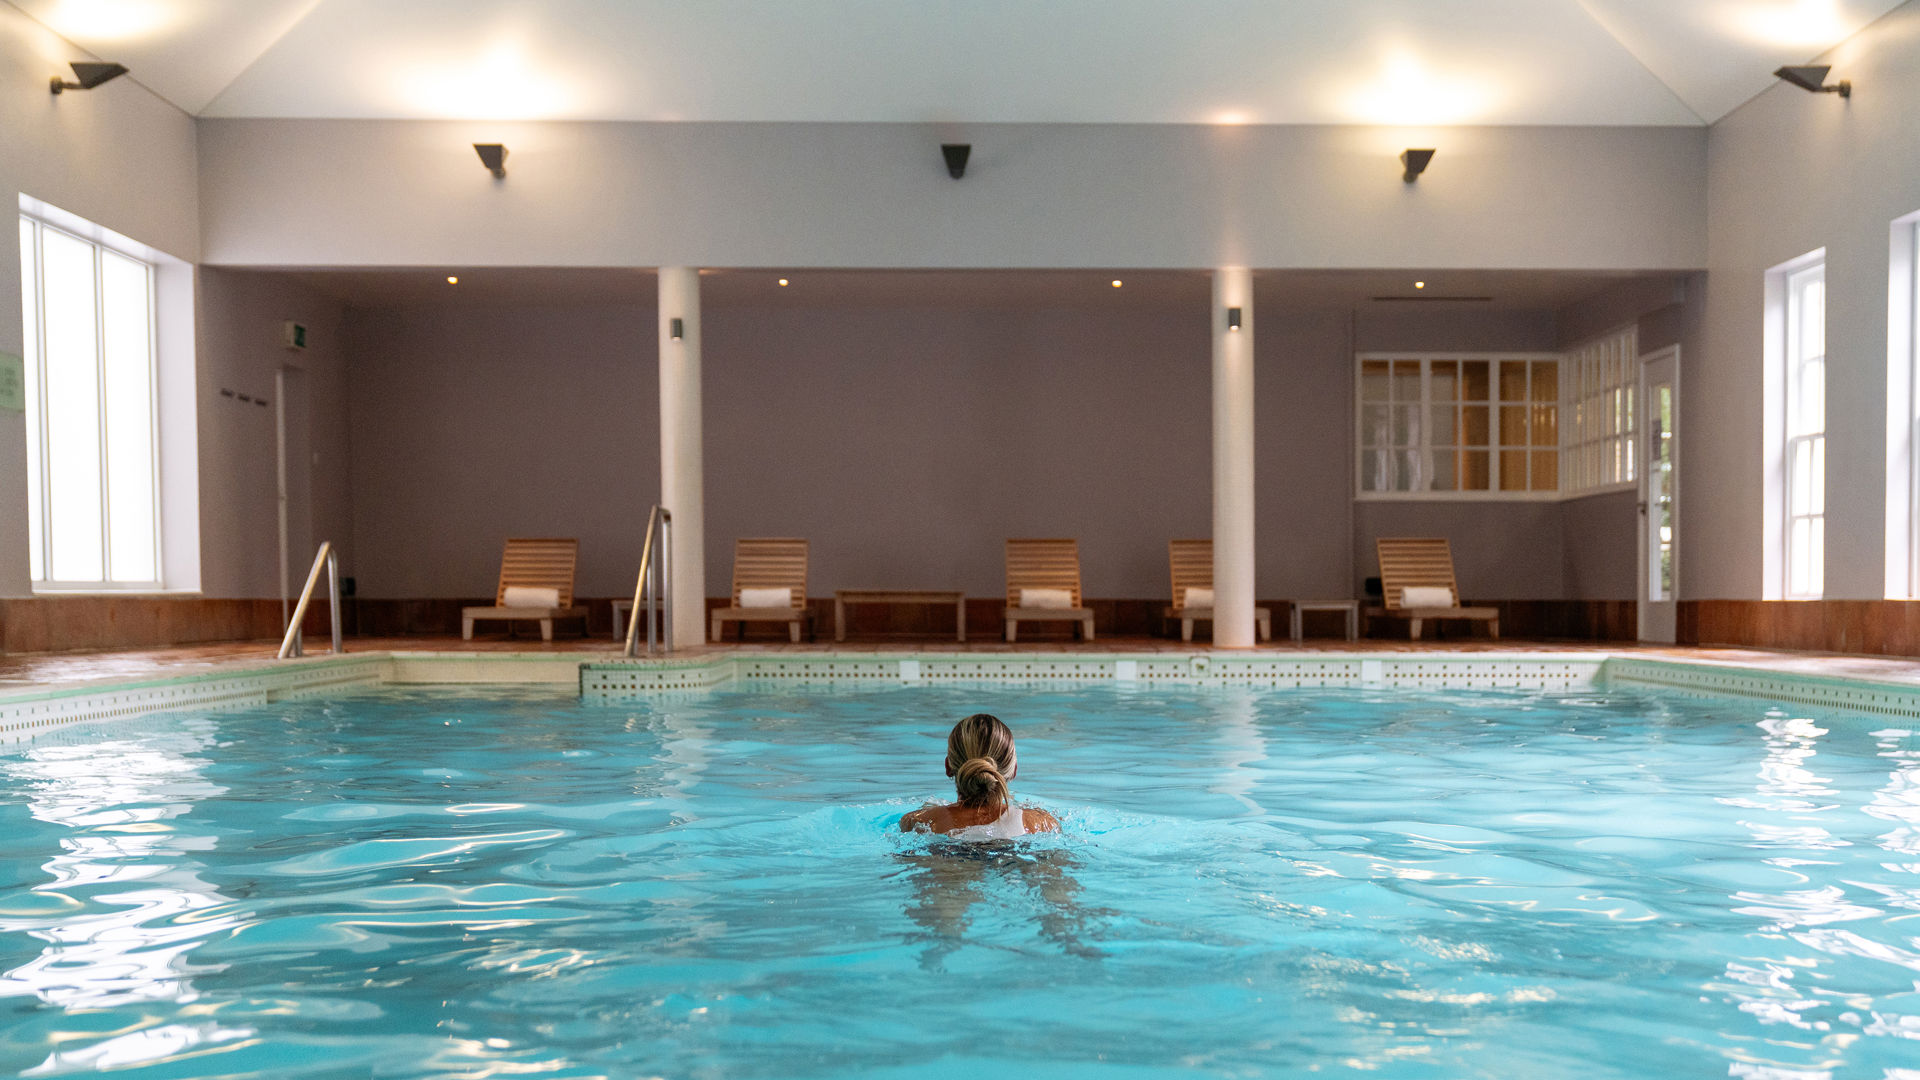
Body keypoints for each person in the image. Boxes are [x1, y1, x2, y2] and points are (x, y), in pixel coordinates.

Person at [899, 713, 1060, 837]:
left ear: (948, 766)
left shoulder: (919, 822)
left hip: (947, 857)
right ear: (1014, 770)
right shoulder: (1040, 823)